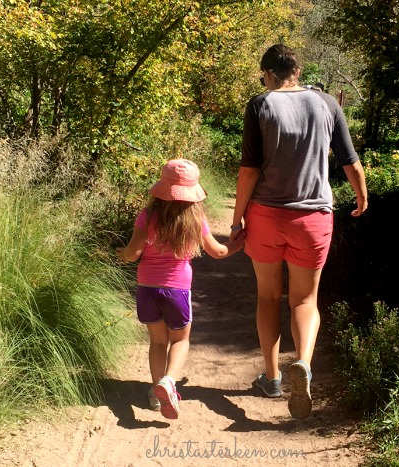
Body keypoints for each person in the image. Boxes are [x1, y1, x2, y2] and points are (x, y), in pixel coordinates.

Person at [230, 44, 367, 420]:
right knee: (304, 301)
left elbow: (248, 171)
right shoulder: (327, 104)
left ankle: (273, 377)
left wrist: (237, 219)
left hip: (266, 217)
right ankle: (303, 362)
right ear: (298, 71)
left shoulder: (260, 105)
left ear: (268, 74)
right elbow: (349, 161)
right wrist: (361, 195)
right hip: (313, 219)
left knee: (267, 297)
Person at [117, 158, 244, 420]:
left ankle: (155, 392)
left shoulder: (147, 215)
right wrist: (241, 242)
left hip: (146, 289)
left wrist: (121, 254)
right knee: (180, 340)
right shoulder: (196, 218)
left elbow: (132, 254)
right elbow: (219, 251)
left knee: (158, 341)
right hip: (177, 291)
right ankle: (169, 382)